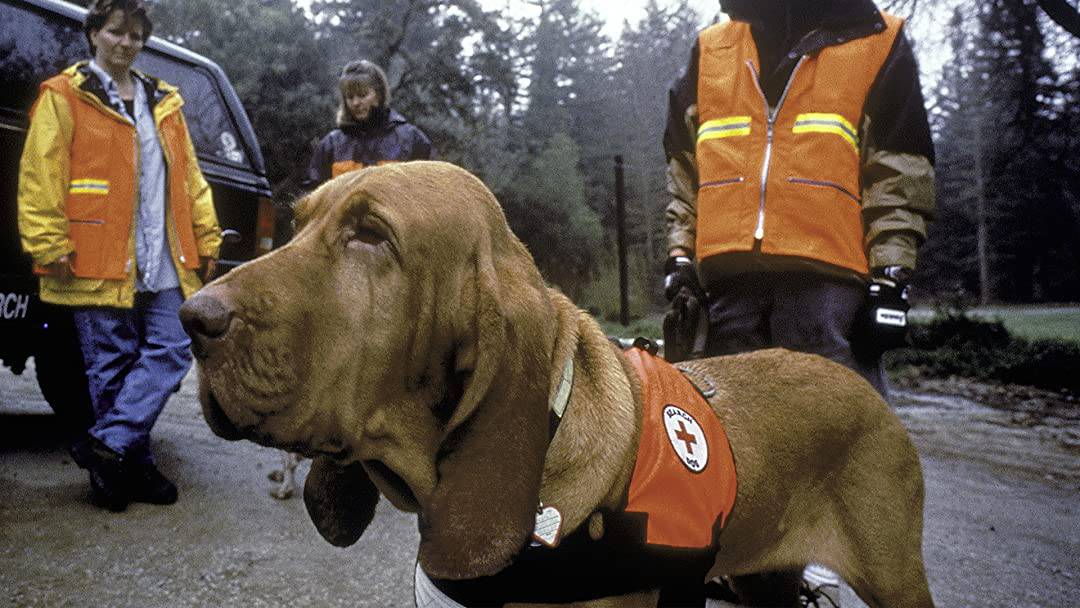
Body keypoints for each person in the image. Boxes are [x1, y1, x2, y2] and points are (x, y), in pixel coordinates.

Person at [662, 0, 936, 604]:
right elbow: (685, 168)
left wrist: (891, 276)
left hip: (829, 284)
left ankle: (825, 563)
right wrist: (681, 257)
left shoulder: (879, 42)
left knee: (838, 439)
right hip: (727, 284)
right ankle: (751, 574)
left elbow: (898, 168)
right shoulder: (713, 49)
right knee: (725, 446)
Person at [18, 0, 221, 512]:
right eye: (115, 32)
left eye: (135, 35)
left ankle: (105, 444)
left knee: (173, 347)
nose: (125, 43)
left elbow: (190, 179)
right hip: (95, 253)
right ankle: (127, 470)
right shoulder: (64, 95)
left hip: (161, 254)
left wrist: (206, 237)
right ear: (94, 34)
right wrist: (48, 242)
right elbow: (39, 176)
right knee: (110, 365)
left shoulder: (163, 101)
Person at [301, 60, 434, 190]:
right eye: (350, 97)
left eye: (362, 95)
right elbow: (312, 198)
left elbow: (431, 191)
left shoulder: (411, 139)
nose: (356, 103)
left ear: (379, 94)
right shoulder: (331, 145)